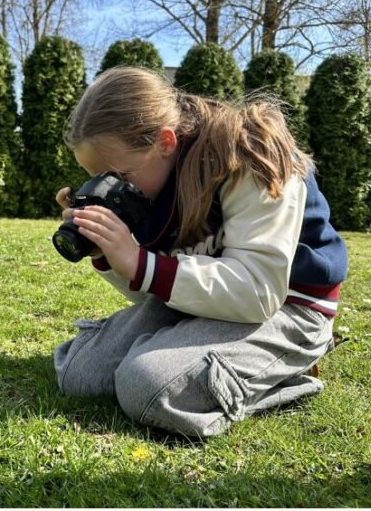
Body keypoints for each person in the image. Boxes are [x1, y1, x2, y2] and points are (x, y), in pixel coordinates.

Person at [53, 66, 347, 438]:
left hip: (289, 306)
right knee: (80, 372)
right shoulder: (154, 179)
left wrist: (141, 263)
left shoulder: (250, 153)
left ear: (166, 141)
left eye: (121, 177)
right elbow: (153, 285)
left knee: (147, 388)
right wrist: (107, 253)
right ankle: (192, 359)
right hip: (212, 302)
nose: (114, 189)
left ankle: (290, 371)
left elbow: (259, 291)